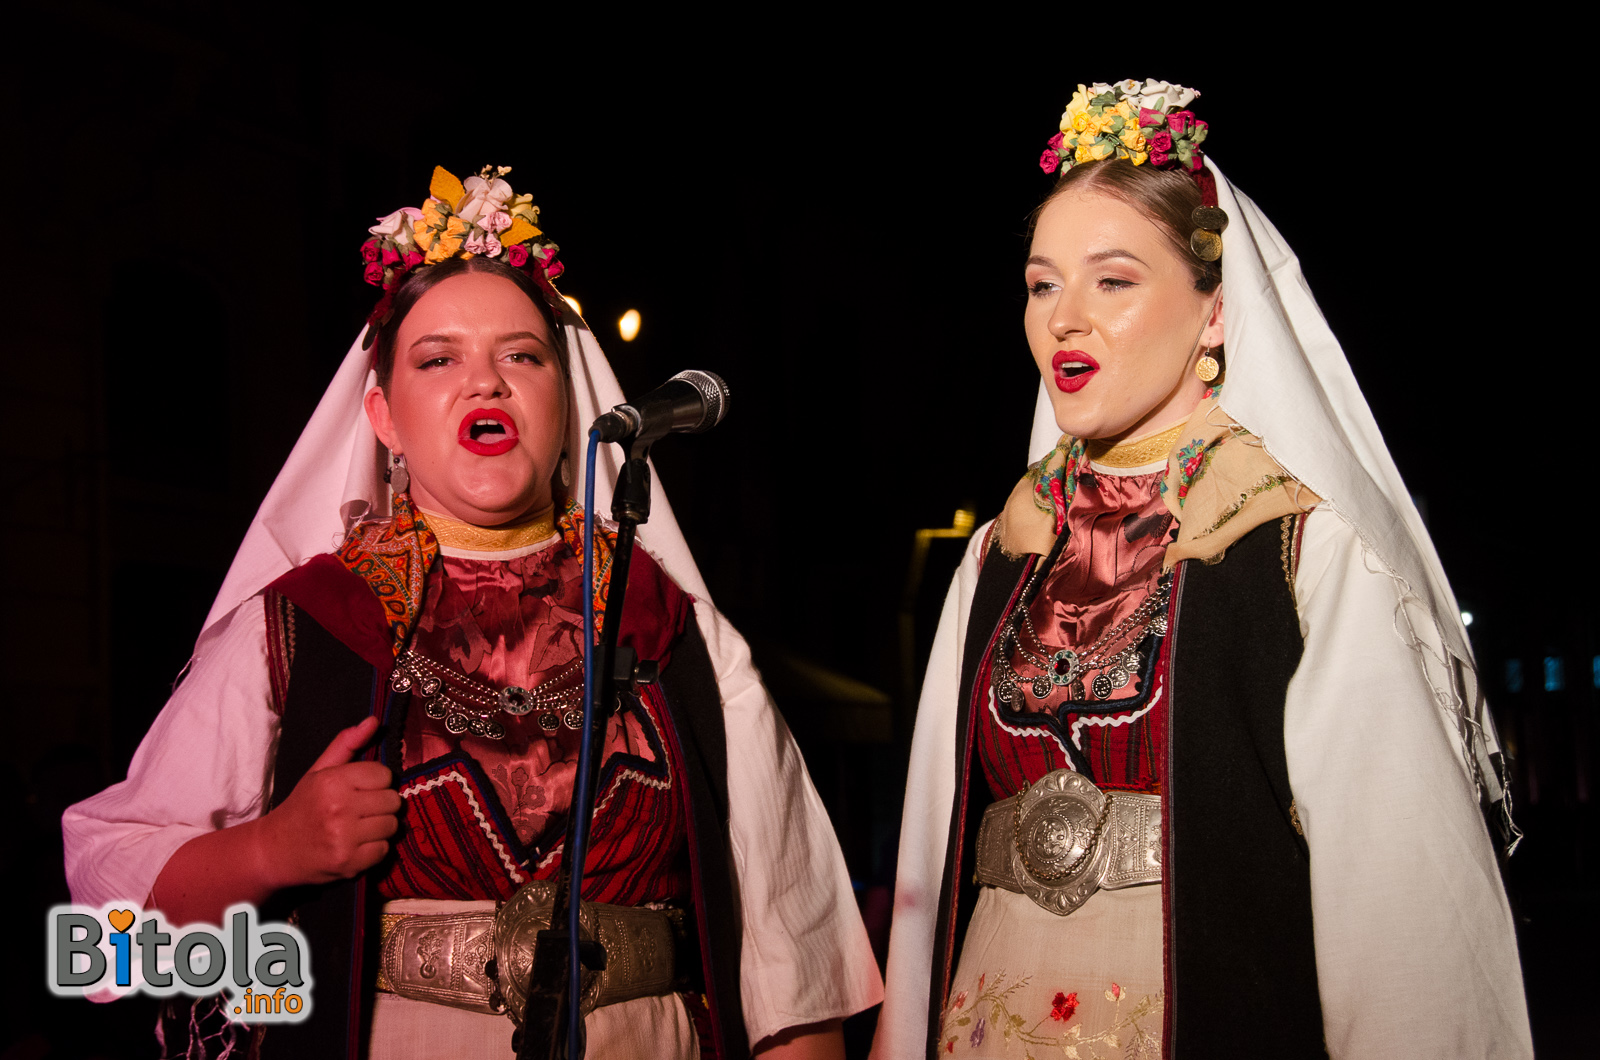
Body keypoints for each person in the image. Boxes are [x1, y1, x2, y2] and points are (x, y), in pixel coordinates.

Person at [64, 165, 882, 1060]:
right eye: (439, 358)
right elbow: (101, 928)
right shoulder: (305, 625)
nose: (485, 384)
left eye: (522, 355)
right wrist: (271, 851)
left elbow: (794, 964)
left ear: (566, 404)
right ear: (383, 414)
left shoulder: (671, 628)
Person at [873, 81, 1531, 1059]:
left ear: (1214, 313)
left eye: (1114, 280)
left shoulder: (1292, 544)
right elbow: (931, 846)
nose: (1064, 319)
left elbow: (1400, 916)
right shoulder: (1002, 551)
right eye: (1042, 283)